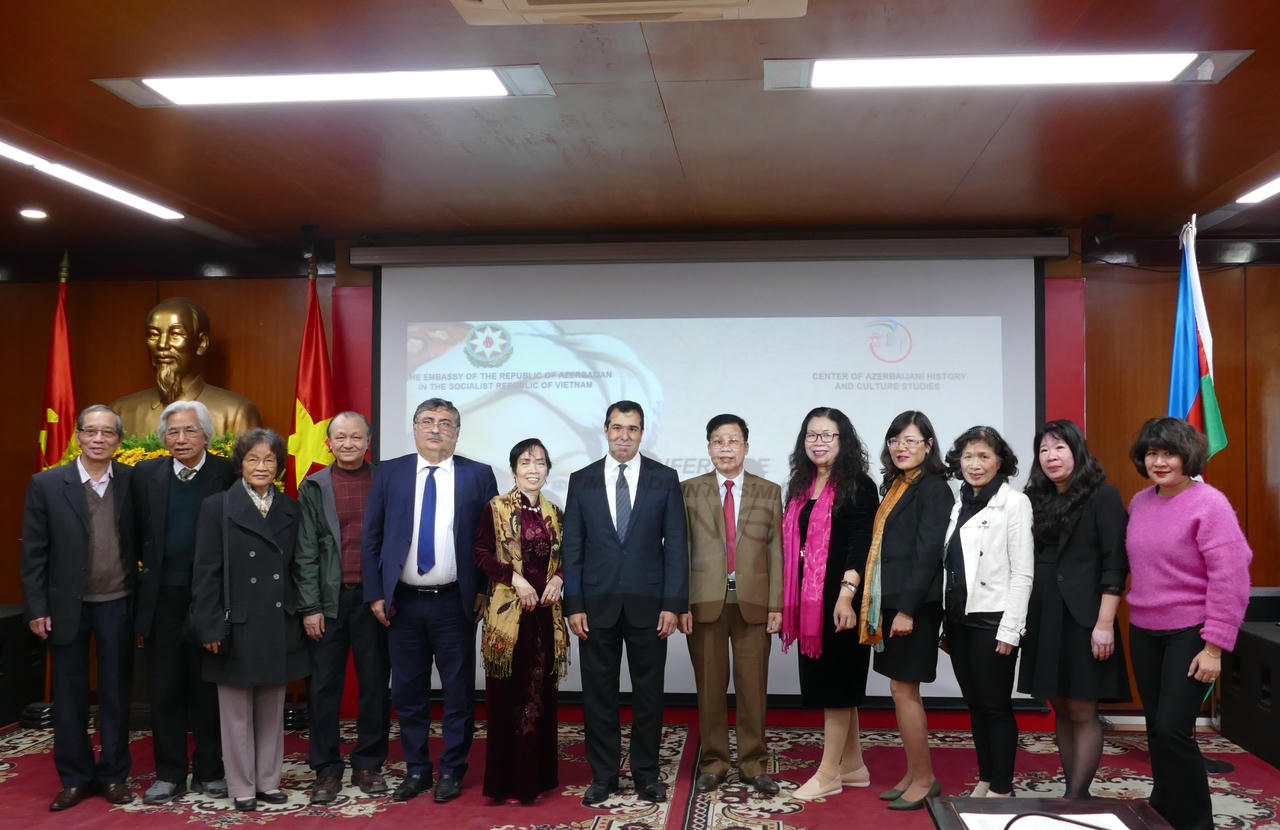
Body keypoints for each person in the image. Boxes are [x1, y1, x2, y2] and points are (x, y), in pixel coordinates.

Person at [361, 397, 498, 803]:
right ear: (415, 428)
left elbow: (490, 541)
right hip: (402, 603)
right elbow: (371, 538)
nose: (436, 429)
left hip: (455, 602)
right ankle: (417, 768)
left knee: (458, 690)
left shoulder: (478, 475)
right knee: (408, 691)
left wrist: (483, 590)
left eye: (445, 423)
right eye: (427, 421)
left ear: (457, 432)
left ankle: (452, 769)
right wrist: (375, 593)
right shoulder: (390, 473)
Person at [1125, 417, 1252, 830]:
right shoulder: (1140, 502)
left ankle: (1197, 823)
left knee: (1173, 731)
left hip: (1191, 633)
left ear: (1188, 457)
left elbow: (1232, 577)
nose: (1160, 462)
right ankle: (1163, 810)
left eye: (1170, 454)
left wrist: (1214, 647)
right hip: (1144, 630)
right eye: (1152, 453)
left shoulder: (1210, 503)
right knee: (1156, 730)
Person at [561, 400, 688, 807]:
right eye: (617, 427)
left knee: (649, 694)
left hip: (650, 605)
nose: (624, 436)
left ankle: (646, 774)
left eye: (632, 429)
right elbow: (572, 547)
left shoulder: (664, 479)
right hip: (594, 606)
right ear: (605, 430)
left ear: (641, 433)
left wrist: (673, 603)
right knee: (598, 695)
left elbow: (676, 546)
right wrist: (573, 604)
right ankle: (603, 776)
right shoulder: (582, 480)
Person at [20, 405, 137, 811]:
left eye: (107, 433)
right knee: (69, 696)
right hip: (65, 606)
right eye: (91, 431)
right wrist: (36, 607)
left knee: (116, 693)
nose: (98, 439)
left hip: (118, 601)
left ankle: (114, 775)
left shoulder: (132, 481)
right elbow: (34, 552)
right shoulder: (47, 484)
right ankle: (74, 778)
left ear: (119, 440)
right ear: (78, 436)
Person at [192, 428, 306, 812]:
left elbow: (296, 567)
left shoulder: (290, 508)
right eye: (253, 459)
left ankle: (269, 782)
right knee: (236, 710)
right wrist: (209, 624)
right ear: (240, 464)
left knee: (272, 707)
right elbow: (205, 571)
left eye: (269, 459)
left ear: (279, 466)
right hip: (235, 621)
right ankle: (241, 785)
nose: (261, 466)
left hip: (276, 620)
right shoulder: (218, 506)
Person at [1019, 419, 1130, 799]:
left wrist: (1105, 623)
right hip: (1044, 615)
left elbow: (1115, 565)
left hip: (1085, 618)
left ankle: (1076, 797)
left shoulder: (1103, 496)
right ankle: (1073, 792)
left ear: (1077, 451)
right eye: (1044, 449)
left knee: (1083, 708)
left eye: (1059, 447)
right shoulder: (1034, 498)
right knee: (1061, 706)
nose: (1051, 456)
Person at [133, 401, 236, 804]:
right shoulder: (146, 474)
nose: (180, 438)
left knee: (208, 688)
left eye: (190, 430)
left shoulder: (227, 472)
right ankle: (169, 773)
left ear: (207, 435)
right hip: (161, 600)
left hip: (209, 597)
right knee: (164, 689)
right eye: (172, 432)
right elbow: (132, 532)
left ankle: (210, 770)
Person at [679, 414, 784, 795]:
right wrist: (681, 603)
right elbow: (681, 551)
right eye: (718, 441)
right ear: (709, 448)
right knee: (709, 688)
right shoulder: (688, 491)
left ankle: (753, 764)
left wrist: (776, 604)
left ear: (746, 447)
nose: (726, 448)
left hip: (753, 603)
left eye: (733, 441)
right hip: (703, 603)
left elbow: (776, 550)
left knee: (753, 688)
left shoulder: (768, 491)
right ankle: (714, 763)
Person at [295, 412, 391, 804]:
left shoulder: (385, 481)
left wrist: (388, 595)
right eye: (340, 437)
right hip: (328, 602)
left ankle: (368, 764)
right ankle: (326, 769)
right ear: (328, 443)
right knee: (323, 688)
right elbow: (304, 551)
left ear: (368, 442)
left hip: (374, 601)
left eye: (356, 437)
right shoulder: (313, 486)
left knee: (374, 686)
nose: (348, 443)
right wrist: (310, 606)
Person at [784, 407, 879, 800]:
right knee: (835, 685)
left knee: (839, 686)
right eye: (812, 435)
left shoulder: (859, 485)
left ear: (844, 441)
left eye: (827, 435)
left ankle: (828, 775)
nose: (818, 442)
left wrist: (846, 595)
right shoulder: (801, 486)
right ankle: (853, 765)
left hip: (842, 600)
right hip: (810, 601)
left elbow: (861, 545)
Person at [860, 410, 951, 811]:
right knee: (899, 690)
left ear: (928, 446)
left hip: (914, 607)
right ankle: (914, 773)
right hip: (892, 603)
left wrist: (908, 611)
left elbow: (928, 553)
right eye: (895, 440)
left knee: (905, 690)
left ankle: (926, 779)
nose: (901, 447)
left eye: (911, 441)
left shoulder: (934, 488)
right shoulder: (898, 484)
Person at [472, 438, 568, 803]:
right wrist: (515, 579)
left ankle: (537, 780)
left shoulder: (555, 512)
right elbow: (480, 552)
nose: (533, 469)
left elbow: (569, 556)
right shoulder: (495, 508)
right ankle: (505, 784)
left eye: (540, 462)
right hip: (509, 619)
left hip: (545, 616)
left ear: (547, 470)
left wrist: (559, 579)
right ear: (513, 470)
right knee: (507, 699)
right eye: (526, 462)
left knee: (539, 698)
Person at [941, 426, 1033, 798]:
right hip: (959, 619)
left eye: (983, 456)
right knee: (976, 706)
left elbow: (1023, 572)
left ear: (999, 461)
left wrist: (1011, 629)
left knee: (995, 707)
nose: (974, 464)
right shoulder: (960, 500)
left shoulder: (1014, 502)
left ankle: (1002, 788)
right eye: (968, 456)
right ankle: (985, 779)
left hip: (993, 621)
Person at [112, 297, 261, 437]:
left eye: (175, 334)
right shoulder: (120, 412)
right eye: (154, 334)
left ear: (201, 343)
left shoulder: (236, 414)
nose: (162, 345)